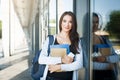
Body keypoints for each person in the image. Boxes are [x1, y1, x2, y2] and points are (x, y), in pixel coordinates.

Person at [38, 11, 83, 80]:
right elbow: (41, 59)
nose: (67, 25)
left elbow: (79, 64)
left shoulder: (77, 41)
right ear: (61, 22)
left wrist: (60, 67)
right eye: (64, 21)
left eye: (70, 22)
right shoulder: (51, 39)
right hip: (50, 78)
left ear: (73, 24)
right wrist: (61, 60)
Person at [92, 12, 119, 80]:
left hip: (110, 76)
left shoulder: (105, 40)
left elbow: (117, 57)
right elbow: (87, 64)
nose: (95, 25)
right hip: (94, 76)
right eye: (92, 22)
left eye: (96, 22)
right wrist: (108, 65)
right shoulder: (84, 42)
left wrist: (106, 59)